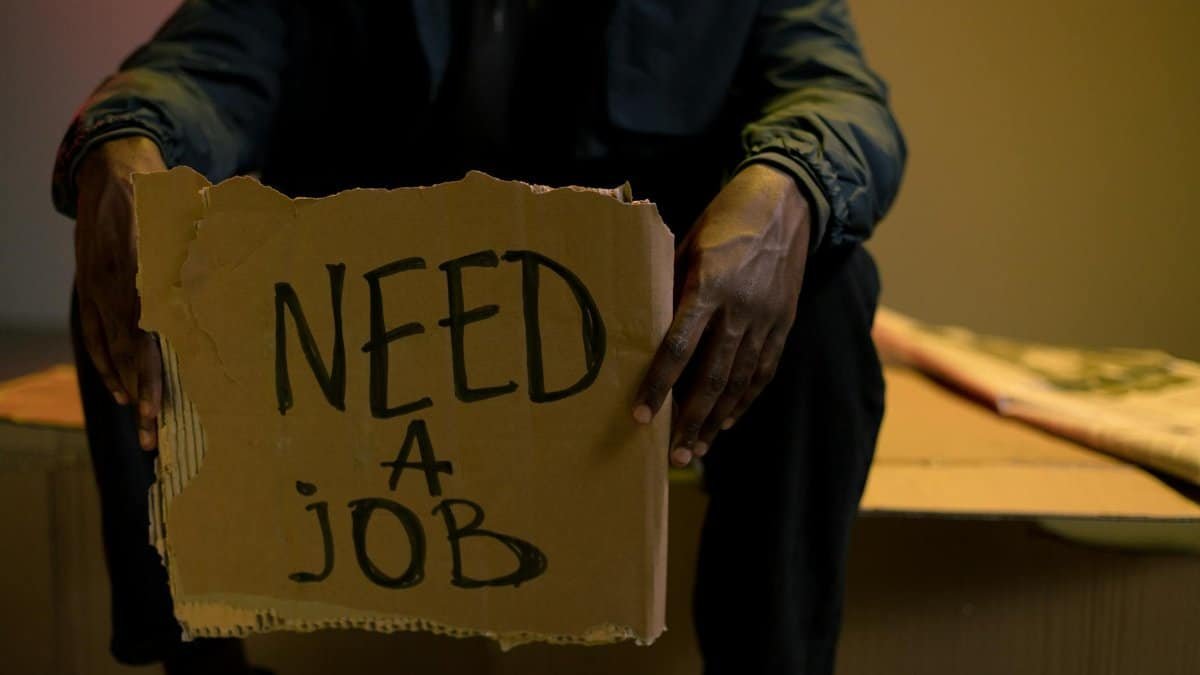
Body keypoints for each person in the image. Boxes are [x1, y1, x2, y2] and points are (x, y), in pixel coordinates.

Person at [53, 1, 905, 673]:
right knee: (129, 246)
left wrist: (792, 182)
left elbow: (837, 92)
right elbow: (200, 66)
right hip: (370, 329)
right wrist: (123, 142)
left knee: (828, 289)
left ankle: (770, 662)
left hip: (636, 345)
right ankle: (199, 664)